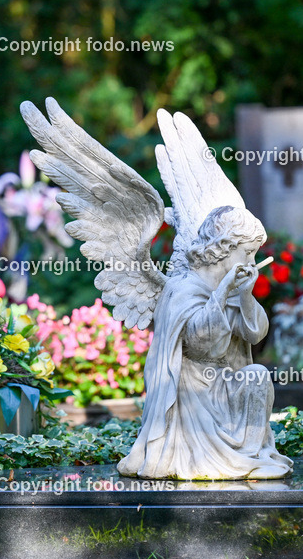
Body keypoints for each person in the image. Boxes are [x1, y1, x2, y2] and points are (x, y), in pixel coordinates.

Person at [117, 205, 293, 480]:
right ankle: (218, 458)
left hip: (221, 382)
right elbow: (200, 342)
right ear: (223, 248)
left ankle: (249, 453)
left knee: (258, 375)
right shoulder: (182, 289)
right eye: (246, 252)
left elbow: (255, 334)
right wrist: (222, 291)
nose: (251, 260)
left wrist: (245, 295)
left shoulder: (232, 286)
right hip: (188, 390)